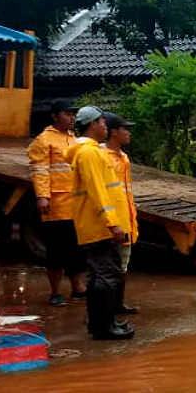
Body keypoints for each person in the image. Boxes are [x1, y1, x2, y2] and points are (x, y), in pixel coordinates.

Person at [65, 106, 135, 340]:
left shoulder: (89, 151)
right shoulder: (89, 153)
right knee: (106, 274)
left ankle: (101, 323)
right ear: (92, 124)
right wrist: (112, 223)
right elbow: (98, 192)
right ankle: (105, 327)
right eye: (103, 123)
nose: (106, 127)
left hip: (96, 225)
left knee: (98, 275)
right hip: (100, 226)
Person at [26, 99, 88, 306]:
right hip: (57, 205)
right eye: (67, 114)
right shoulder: (44, 140)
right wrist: (42, 196)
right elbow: (40, 170)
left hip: (76, 205)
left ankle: (78, 289)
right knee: (57, 250)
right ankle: (55, 292)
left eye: (73, 114)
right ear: (55, 117)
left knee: (77, 249)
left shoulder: (74, 139)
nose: (72, 117)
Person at [102, 112, 139, 314]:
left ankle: (117, 303)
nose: (129, 133)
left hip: (126, 219)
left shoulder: (123, 157)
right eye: (126, 129)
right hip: (112, 221)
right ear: (114, 132)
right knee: (109, 266)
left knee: (122, 264)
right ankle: (108, 307)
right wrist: (112, 221)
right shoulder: (102, 157)